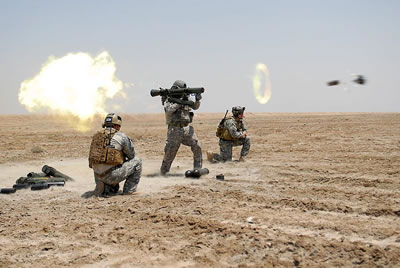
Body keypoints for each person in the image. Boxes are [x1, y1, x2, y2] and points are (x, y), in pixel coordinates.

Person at [88, 113, 142, 196]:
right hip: (111, 175)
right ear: (117, 126)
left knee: (113, 188)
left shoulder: (96, 136)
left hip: (97, 175)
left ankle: (105, 187)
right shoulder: (121, 137)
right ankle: (129, 190)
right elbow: (131, 155)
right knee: (137, 161)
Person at [160, 80, 203, 175]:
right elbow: (168, 110)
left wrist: (197, 100)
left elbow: (195, 107)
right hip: (174, 129)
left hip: (187, 129)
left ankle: (197, 169)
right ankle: (163, 173)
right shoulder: (169, 99)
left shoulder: (185, 98)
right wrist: (180, 102)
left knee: (197, 146)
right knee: (170, 152)